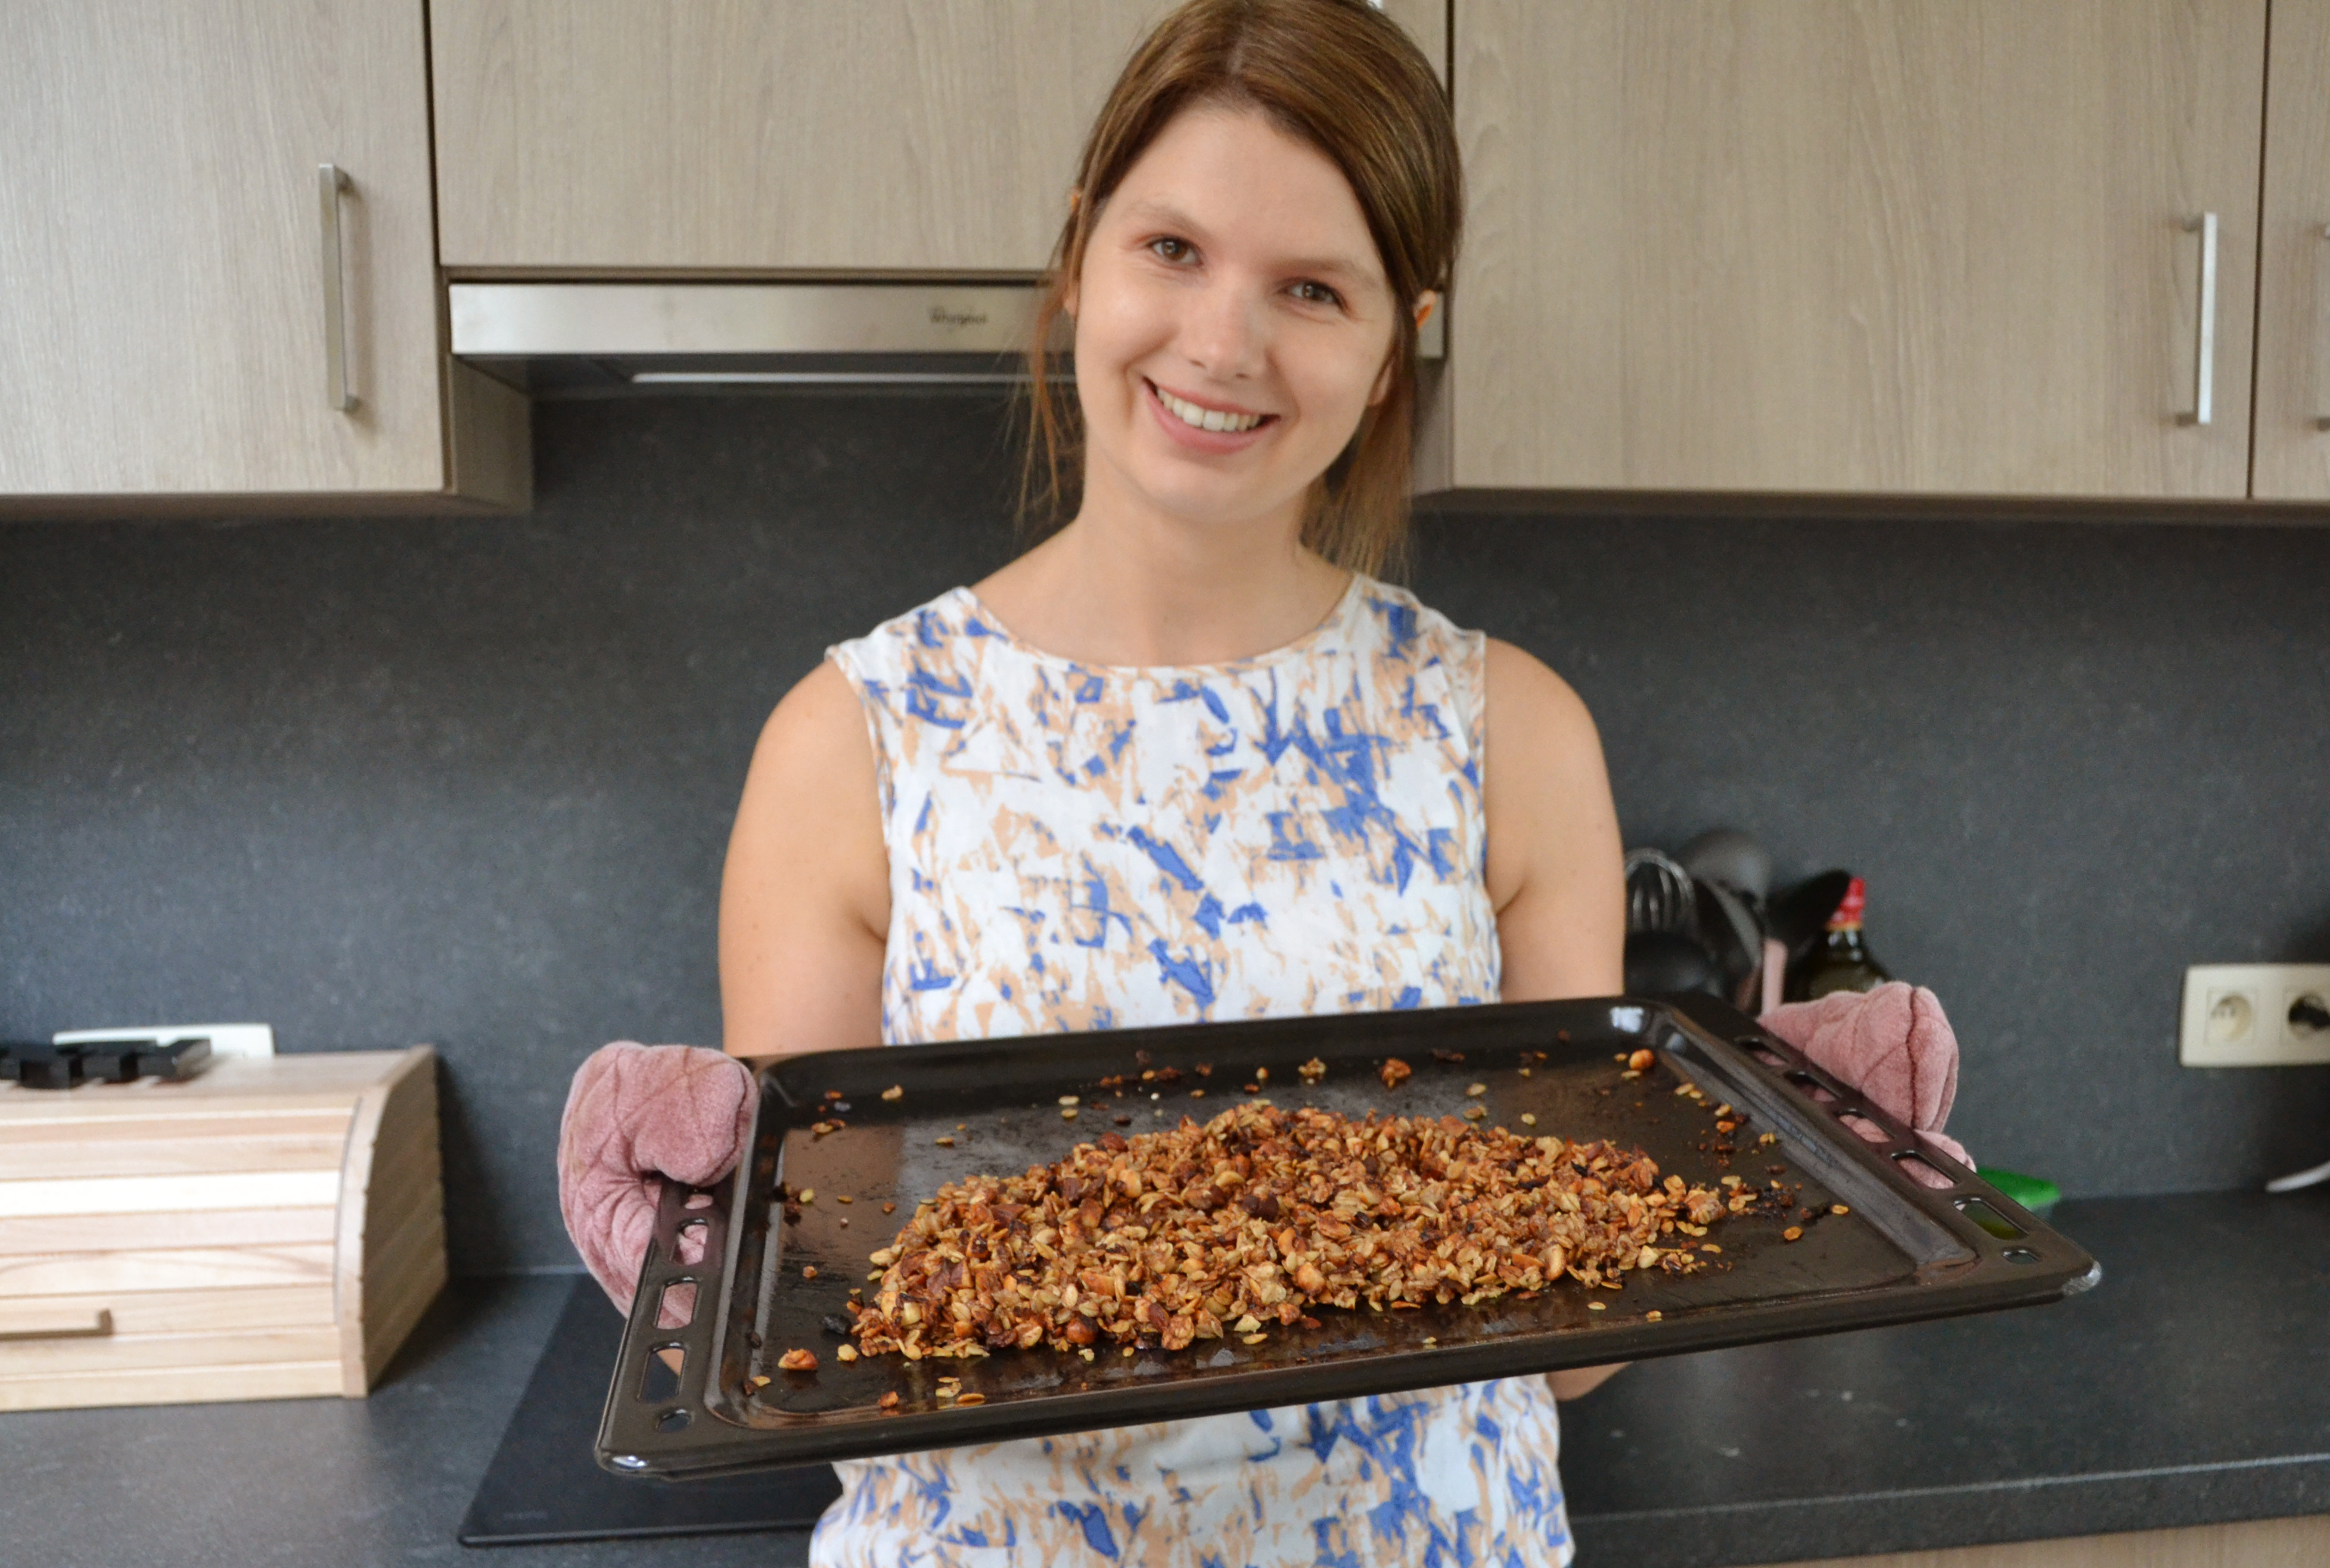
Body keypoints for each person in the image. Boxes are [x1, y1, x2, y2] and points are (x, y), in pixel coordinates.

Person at [557, 2, 1971, 1562]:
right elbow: (835, 1320)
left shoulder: (1513, 735)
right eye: (1173, 248)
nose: (1224, 342)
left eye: (1311, 287)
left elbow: (1567, 1339)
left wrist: (1778, 1159)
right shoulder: (854, 743)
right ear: (1083, 251)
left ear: (1390, 349)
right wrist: (705, 1263)